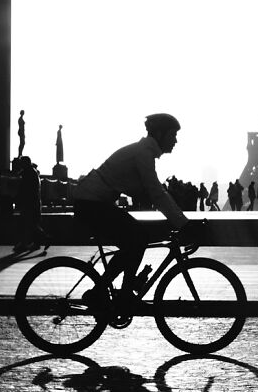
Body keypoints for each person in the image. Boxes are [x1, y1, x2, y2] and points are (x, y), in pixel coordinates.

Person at [73, 113, 192, 305]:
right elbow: (156, 193)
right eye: (172, 135)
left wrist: (179, 219)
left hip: (91, 201)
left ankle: (109, 291)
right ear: (160, 134)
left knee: (136, 239)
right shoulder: (143, 154)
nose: (176, 140)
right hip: (91, 203)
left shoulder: (143, 152)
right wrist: (184, 224)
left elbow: (154, 193)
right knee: (137, 238)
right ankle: (122, 293)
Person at [14, 156, 47, 252]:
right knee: (31, 223)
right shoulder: (31, 172)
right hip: (32, 202)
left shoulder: (28, 173)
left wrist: (19, 198)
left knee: (26, 223)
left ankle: (25, 243)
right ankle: (36, 242)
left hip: (29, 202)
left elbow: (25, 189)